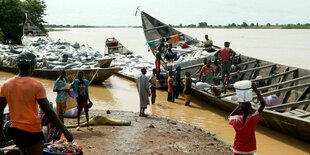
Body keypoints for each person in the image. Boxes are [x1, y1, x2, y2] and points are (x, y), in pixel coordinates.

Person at [0, 52, 73, 155]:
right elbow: (48, 111)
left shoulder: (5, 85)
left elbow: (0, 110)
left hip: (15, 130)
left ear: (18, 66)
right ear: (32, 67)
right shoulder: (36, 85)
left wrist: (1, 132)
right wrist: (65, 131)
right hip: (32, 131)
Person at [228, 83, 266, 155]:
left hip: (237, 149)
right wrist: (255, 89)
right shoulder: (252, 119)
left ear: (240, 110)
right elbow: (263, 104)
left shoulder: (236, 120)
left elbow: (230, 116)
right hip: (249, 150)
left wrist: (239, 105)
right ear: (251, 109)